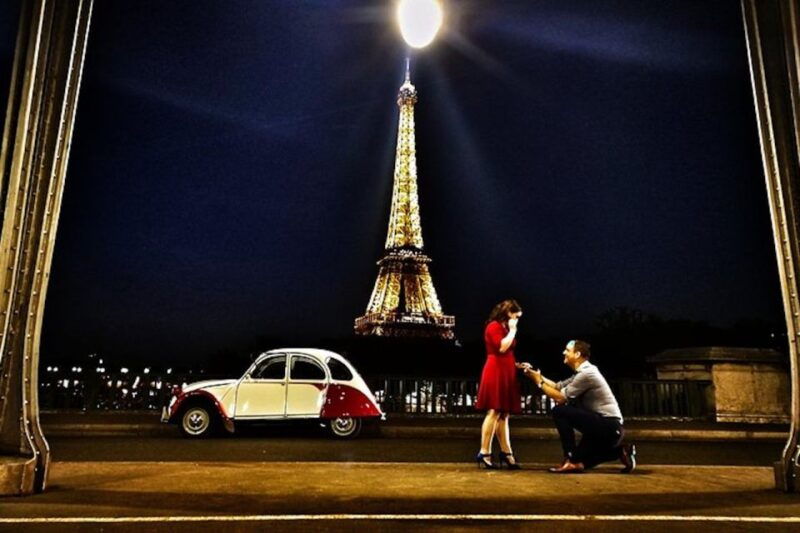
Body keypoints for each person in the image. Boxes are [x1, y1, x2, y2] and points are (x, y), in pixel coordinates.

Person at [522, 340, 636, 473]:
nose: (563, 352)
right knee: (579, 463)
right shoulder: (583, 372)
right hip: (606, 428)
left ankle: (569, 458)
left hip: (609, 427)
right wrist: (535, 375)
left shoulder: (587, 374)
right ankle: (621, 451)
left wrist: (539, 382)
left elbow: (560, 398)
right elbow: (557, 387)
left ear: (577, 354)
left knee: (559, 411)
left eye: (567, 350)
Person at [475, 299, 527, 469]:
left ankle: (506, 452)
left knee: (504, 413)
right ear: (507, 313)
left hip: (505, 370)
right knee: (494, 411)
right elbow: (502, 348)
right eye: (515, 316)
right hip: (495, 370)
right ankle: (484, 451)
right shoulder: (493, 327)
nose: (517, 320)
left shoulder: (503, 328)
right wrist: (513, 331)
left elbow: (506, 352)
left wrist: (517, 365)